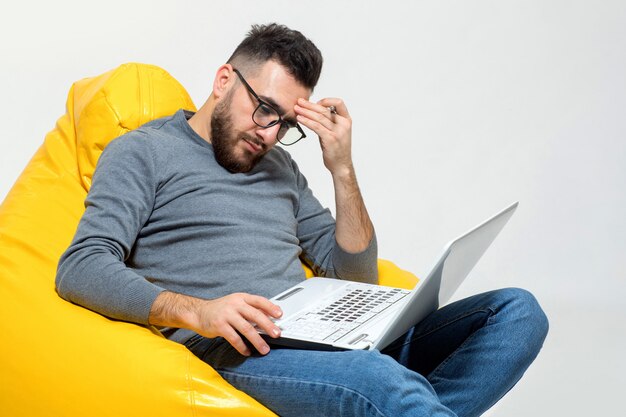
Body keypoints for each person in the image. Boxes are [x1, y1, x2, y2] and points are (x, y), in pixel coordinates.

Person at [56, 23, 548, 417]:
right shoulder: (143, 152)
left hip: (326, 337)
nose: (270, 134)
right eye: (264, 110)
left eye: (286, 124)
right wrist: (198, 312)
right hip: (244, 350)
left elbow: (356, 276)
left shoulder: (279, 166)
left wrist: (342, 168)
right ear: (224, 80)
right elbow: (81, 266)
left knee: (516, 312)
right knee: (386, 384)